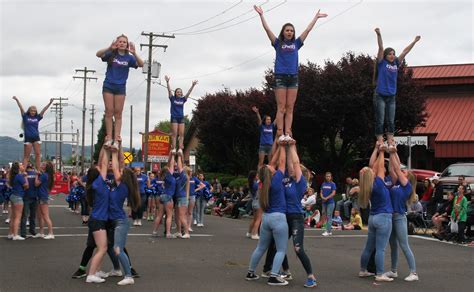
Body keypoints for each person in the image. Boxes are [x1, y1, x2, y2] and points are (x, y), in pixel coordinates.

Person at [254, 5, 327, 140]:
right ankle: (280, 133)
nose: (290, 32)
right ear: (283, 32)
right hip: (280, 77)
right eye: (287, 30)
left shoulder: (297, 43)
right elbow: (267, 29)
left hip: (293, 78)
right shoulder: (277, 43)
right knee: (281, 107)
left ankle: (288, 133)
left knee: (290, 108)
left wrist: (315, 18)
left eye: (292, 31)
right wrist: (261, 15)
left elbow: (308, 30)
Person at [246, 140, 289, 286]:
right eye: (272, 168)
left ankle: (251, 272)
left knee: (260, 247)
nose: (274, 167)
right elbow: (281, 161)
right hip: (279, 218)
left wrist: (277, 146)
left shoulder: (262, 183)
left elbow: (274, 162)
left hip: (267, 218)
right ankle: (274, 276)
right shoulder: (276, 180)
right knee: (281, 249)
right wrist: (283, 146)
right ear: (271, 172)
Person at [374, 28, 421, 147]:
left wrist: (414, 42)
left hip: (391, 96)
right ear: (385, 56)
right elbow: (380, 47)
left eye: (393, 54)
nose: (392, 55)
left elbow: (405, 51)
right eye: (390, 54)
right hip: (380, 95)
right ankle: (380, 140)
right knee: (380, 119)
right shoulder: (381, 63)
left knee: (390, 120)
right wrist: (379, 34)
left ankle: (390, 140)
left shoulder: (395, 63)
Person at [96, 34, 144, 148]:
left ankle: (116, 139)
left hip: (120, 87)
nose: (122, 43)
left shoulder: (129, 58)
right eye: (120, 41)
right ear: (117, 43)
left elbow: (141, 64)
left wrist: (134, 53)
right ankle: (109, 137)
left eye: (124, 42)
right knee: (109, 111)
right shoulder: (111, 54)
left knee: (118, 112)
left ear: (127, 45)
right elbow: (98, 54)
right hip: (108, 85)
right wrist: (109, 48)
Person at [284, 139, 318, 287]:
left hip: (296, 217)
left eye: (293, 166)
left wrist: (292, 146)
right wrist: (284, 145)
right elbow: (286, 160)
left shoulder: (300, 182)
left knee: (298, 249)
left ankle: (311, 276)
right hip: (284, 217)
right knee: (278, 246)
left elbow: (295, 162)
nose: (290, 167)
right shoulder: (286, 180)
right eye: (289, 165)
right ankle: (286, 271)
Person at [358, 142, 394, 282]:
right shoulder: (378, 182)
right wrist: (382, 151)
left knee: (368, 247)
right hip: (383, 217)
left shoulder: (368, 185)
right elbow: (378, 166)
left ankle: (363, 270)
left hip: (373, 218)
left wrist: (375, 149)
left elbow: (373, 165)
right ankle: (379, 274)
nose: (374, 169)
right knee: (380, 249)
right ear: (372, 175)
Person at [385, 147, 419, 281]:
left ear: (407, 177)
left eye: (405, 171)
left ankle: (414, 273)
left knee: (404, 245)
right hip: (390, 217)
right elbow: (393, 168)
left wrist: (393, 152)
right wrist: (391, 152)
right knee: (393, 245)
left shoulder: (407, 186)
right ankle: (393, 270)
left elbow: (397, 169)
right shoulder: (397, 183)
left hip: (399, 217)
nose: (402, 171)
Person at [109, 143, 141, 285]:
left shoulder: (122, 186)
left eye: (121, 172)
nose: (118, 172)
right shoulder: (123, 185)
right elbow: (120, 166)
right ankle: (118, 270)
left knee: (117, 249)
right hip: (116, 220)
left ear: (124, 177)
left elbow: (117, 167)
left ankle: (129, 276)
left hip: (120, 221)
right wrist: (119, 147)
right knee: (112, 248)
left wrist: (115, 153)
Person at [85, 145, 112, 283]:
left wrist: (104, 146)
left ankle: (97, 271)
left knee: (101, 246)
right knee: (103, 248)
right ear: (97, 175)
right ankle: (91, 275)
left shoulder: (94, 184)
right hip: (98, 220)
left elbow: (102, 163)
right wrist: (106, 148)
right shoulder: (99, 183)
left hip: (97, 218)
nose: (101, 168)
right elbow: (104, 163)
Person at [12, 96, 54, 170]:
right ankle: (23, 171)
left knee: (38, 154)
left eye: (34, 111)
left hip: (36, 138)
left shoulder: (37, 117)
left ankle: (38, 170)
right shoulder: (25, 117)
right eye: (32, 111)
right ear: (29, 111)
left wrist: (50, 103)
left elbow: (43, 111)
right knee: (26, 156)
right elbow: (21, 108)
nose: (33, 112)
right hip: (28, 138)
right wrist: (17, 100)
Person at [164, 75, 198, 153]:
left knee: (181, 134)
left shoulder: (183, 99)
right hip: (174, 117)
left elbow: (188, 93)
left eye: (180, 92)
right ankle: (174, 148)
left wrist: (192, 86)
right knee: (175, 134)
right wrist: (167, 82)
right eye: (177, 92)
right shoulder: (172, 98)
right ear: (175, 93)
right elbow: (169, 91)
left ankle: (180, 148)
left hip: (181, 117)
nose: (179, 93)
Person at [152, 151, 177, 238]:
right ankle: (168, 233)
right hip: (168, 196)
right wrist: (172, 155)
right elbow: (171, 163)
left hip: (162, 195)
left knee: (159, 215)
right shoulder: (169, 176)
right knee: (169, 215)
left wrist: (171, 154)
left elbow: (170, 163)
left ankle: (154, 231)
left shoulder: (164, 176)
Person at [8, 162, 29, 240]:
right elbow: (26, 186)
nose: (23, 166)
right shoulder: (20, 176)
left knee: (13, 216)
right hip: (18, 197)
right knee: (18, 217)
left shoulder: (14, 176)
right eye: (21, 165)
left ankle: (11, 233)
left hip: (13, 196)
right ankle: (16, 235)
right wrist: (26, 177)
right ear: (18, 168)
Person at [35, 161, 55, 239]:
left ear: (46, 167)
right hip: (42, 196)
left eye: (43, 164)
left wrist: (37, 175)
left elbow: (36, 183)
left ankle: (51, 233)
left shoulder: (44, 175)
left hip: (43, 197)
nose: (41, 165)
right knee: (41, 216)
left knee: (45, 216)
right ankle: (41, 232)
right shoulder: (47, 175)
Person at [174, 151, 191, 239]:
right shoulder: (181, 177)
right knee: (177, 215)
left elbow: (180, 166)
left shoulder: (184, 177)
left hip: (182, 197)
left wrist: (179, 156)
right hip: (180, 197)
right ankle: (179, 231)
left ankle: (187, 232)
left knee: (181, 215)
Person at [20, 163, 38, 238]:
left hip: (26, 196)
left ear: (26, 168)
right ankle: (32, 230)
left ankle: (23, 233)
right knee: (33, 216)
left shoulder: (23, 175)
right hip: (34, 197)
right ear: (32, 167)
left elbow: (21, 185)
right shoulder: (36, 174)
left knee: (24, 216)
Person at [247, 170, 262, 240]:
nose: (258, 176)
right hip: (258, 202)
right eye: (257, 175)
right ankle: (254, 234)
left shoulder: (250, 184)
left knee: (254, 219)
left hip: (253, 202)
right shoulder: (256, 184)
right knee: (258, 219)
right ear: (254, 176)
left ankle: (249, 232)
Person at [320, 172, 336, 236]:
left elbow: (333, 193)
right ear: (325, 177)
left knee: (329, 216)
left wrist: (327, 198)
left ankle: (328, 231)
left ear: (331, 177)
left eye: (329, 176)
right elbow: (321, 192)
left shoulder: (333, 184)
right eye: (327, 176)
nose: (328, 177)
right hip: (324, 202)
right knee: (324, 215)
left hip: (330, 202)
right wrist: (322, 197)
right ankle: (329, 230)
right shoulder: (323, 184)